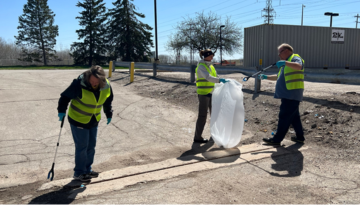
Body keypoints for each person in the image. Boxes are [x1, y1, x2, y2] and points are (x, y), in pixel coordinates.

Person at [57, 65, 114, 181]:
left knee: (91, 147)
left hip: (93, 119)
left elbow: (108, 100)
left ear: (101, 80)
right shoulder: (79, 84)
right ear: (88, 77)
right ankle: (79, 172)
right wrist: (61, 111)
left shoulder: (106, 85)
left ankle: (87, 170)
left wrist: (109, 113)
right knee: (82, 147)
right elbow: (65, 97)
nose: (93, 83)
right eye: (91, 80)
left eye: (96, 82)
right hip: (78, 119)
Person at [258, 43, 305, 145]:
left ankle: (277, 139)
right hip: (289, 94)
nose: (279, 55)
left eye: (280, 52)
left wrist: (285, 62)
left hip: (291, 94)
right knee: (294, 117)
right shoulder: (286, 64)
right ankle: (300, 137)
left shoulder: (294, 58)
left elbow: (299, 66)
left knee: (284, 116)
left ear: (286, 51)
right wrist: (266, 77)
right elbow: (278, 77)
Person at [193, 49, 230, 143]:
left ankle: (215, 134)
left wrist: (221, 80)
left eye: (212, 56)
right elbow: (208, 77)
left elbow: (216, 76)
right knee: (202, 116)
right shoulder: (201, 66)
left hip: (212, 93)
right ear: (206, 56)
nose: (212, 57)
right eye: (211, 56)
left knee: (215, 114)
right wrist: (219, 80)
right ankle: (197, 137)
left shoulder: (211, 66)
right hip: (204, 93)